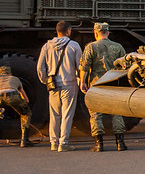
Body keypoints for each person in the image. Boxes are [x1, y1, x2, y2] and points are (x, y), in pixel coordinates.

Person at [79, 22, 128, 151]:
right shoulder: (118, 47)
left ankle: (99, 144)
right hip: (113, 83)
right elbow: (125, 67)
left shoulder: (91, 47)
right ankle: (120, 143)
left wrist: (82, 82)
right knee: (117, 112)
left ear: (96, 33)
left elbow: (85, 66)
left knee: (95, 113)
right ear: (108, 32)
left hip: (96, 84)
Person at [37, 21, 82, 151]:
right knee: (67, 114)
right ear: (68, 31)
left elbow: (40, 67)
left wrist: (46, 80)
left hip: (53, 84)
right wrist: (81, 80)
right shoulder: (74, 46)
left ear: (57, 31)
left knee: (54, 113)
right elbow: (79, 66)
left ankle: (53, 142)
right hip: (69, 83)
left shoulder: (47, 46)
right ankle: (63, 143)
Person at [0, 65, 35, 147]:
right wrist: (24, 106)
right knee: (26, 114)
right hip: (13, 95)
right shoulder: (15, 79)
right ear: (10, 74)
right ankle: (24, 140)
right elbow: (26, 99)